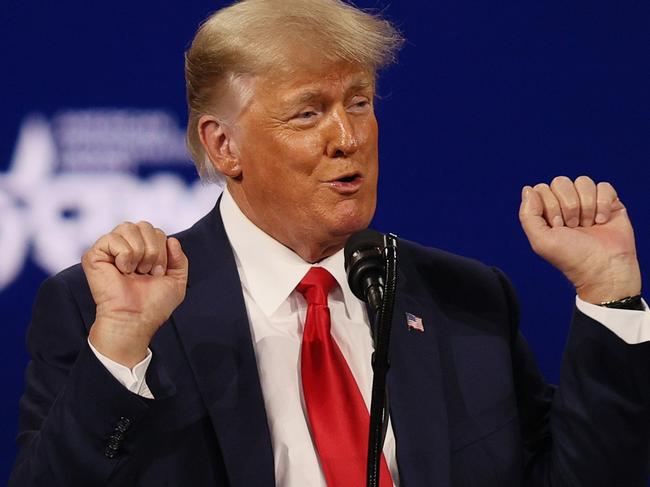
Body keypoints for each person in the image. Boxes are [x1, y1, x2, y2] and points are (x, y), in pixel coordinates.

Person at [10, 0, 650, 486]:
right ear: (223, 145)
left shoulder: (465, 297)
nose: (348, 138)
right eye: (308, 112)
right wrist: (121, 346)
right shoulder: (113, 313)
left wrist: (610, 294)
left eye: (360, 103)